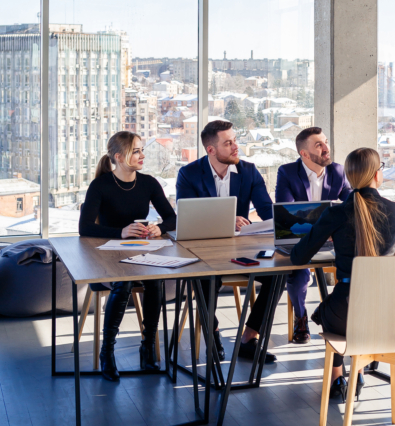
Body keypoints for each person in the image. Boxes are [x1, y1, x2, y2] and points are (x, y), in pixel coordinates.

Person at [291, 148, 395, 402]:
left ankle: (338, 377)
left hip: (346, 312)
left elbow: (298, 257)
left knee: (333, 310)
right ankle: (359, 368)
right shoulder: (394, 210)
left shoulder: (336, 213)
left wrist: (332, 234)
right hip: (387, 313)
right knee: (353, 312)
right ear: (376, 174)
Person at [176, 119, 280, 364]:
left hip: (240, 250)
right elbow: (187, 215)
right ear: (211, 150)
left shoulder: (249, 171)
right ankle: (212, 335)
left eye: (235, 140)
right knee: (204, 279)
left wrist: (294, 223)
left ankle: (248, 339)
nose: (236, 147)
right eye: (229, 143)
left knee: (278, 274)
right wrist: (227, 218)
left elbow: (266, 210)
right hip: (203, 251)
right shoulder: (189, 174)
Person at [79, 131, 176, 382]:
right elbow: (85, 227)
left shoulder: (149, 183)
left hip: (141, 252)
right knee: (122, 283)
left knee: (156, 280)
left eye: (142, 150)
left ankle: (147, 347)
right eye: (137, 151)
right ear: (120, 157)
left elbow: (172, 218)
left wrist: (159, 228)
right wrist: (120, 232)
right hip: (107, 256)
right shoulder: (100, 185)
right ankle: (107, 352)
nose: (143, 155)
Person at [275, 126, 353, 343]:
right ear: (304, 154)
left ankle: (343, 319)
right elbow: (285, 212)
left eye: (326, 142)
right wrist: (324, 225)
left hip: (332, 240)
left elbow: (350, 202)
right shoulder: (287, 172)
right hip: (301, 238)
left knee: (354, 266)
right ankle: (301, 318)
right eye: (319, 145)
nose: (326, 148)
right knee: (300, 273)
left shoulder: (338, 171)